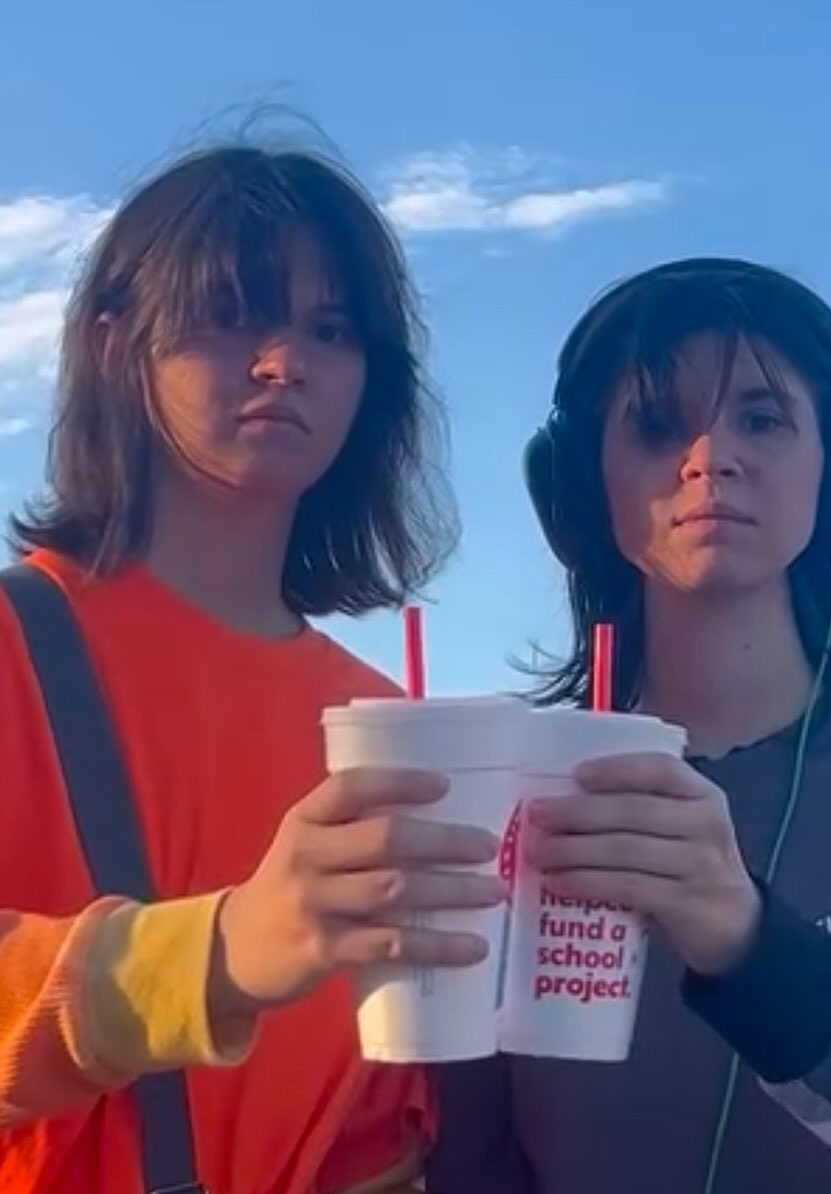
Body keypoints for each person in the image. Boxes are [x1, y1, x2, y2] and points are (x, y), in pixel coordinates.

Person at [0, 141, 506, 1194]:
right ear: (114, 346)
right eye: (231, 314)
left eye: (332, 329)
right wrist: (219, 951)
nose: (285, 362)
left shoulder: (379, 720)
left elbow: (372, 1130)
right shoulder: (16, 646)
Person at [426, 257, 831, 1193]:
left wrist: (754, 946)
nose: (710, 457)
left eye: (761, 418)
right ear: (580, 490)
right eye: (655, 425)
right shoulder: (509, 790)